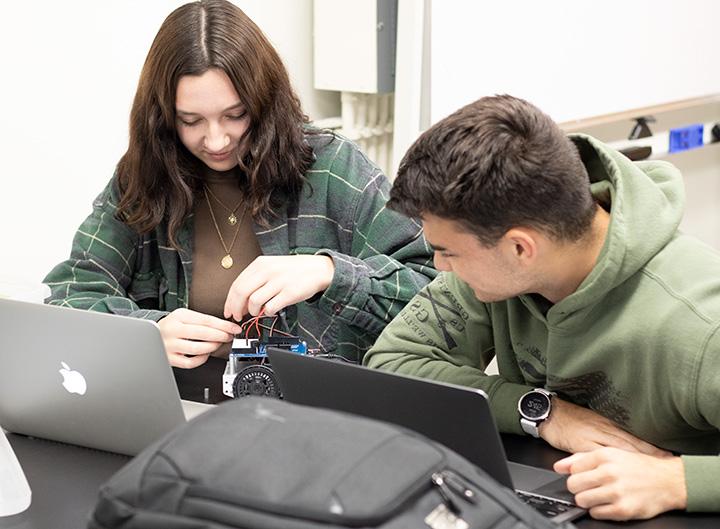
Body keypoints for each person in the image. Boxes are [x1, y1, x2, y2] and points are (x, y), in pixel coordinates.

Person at [364, 94, 720, 520]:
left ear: (520, 248)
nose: (440, 266)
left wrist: (676, 482)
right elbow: (391, 362)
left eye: (448, 253)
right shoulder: (497, 274)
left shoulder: (700, 322)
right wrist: (544, 413)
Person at [44, 0, 435, 369]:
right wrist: (144, 334)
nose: (215, 141)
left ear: (264, 100)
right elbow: (72, 292)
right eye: (191, 121)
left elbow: (435, 298)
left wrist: (329, 273)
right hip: (183, 409)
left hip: (310, 419)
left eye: (235, 115)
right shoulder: (146, 176)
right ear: (163, 117)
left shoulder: (333, 167)